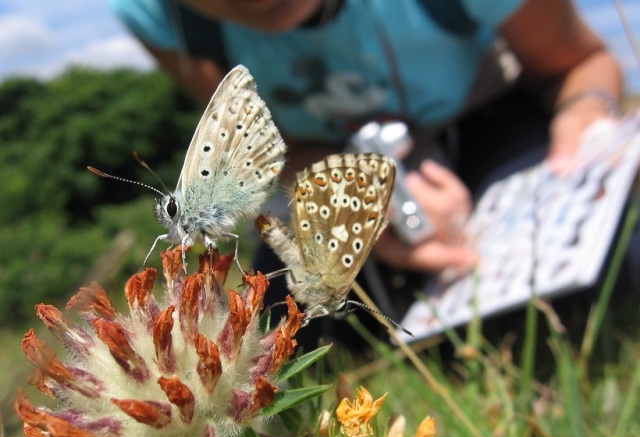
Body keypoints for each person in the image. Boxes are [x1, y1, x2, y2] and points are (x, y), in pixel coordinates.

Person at [110, 0, 627, 344]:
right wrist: (348, 203)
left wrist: (586, 114)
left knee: (614, 261)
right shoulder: (158, 16)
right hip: (331, 172)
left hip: (489, 120)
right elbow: (274, 147)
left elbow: (581, 61)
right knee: (277, 330)